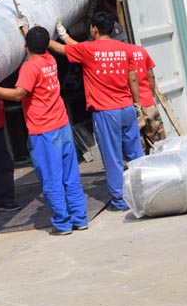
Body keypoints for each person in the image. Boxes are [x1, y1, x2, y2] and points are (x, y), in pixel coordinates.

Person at [0, 24, 88, 235]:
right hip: (62, 125)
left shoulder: (30, 67)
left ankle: (63, 223)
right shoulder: (50, 60)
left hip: (44, 131)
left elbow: (19, 94)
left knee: (51, 179)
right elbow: (39, 44)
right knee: (70, 175)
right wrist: (26, 28)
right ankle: (79, 217)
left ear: (26, 45)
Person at [50, 12, 144, 211]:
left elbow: (62, 48)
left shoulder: (88, 50)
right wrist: (137, 105)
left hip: (106, 112)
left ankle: (120, 201)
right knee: (136, 154)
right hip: (127, 108)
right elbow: (133, 78)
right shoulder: (125, 49)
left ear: (94, 29)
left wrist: (39, 34)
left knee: (113, 157)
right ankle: (144, 192)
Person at [128, 44, 166, 154]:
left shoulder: (118, 54)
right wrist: (151, 95)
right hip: (149, 103)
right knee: (159, 143)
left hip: (132, 106)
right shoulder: (141, 51)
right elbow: (151, 77)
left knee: (139, 147)